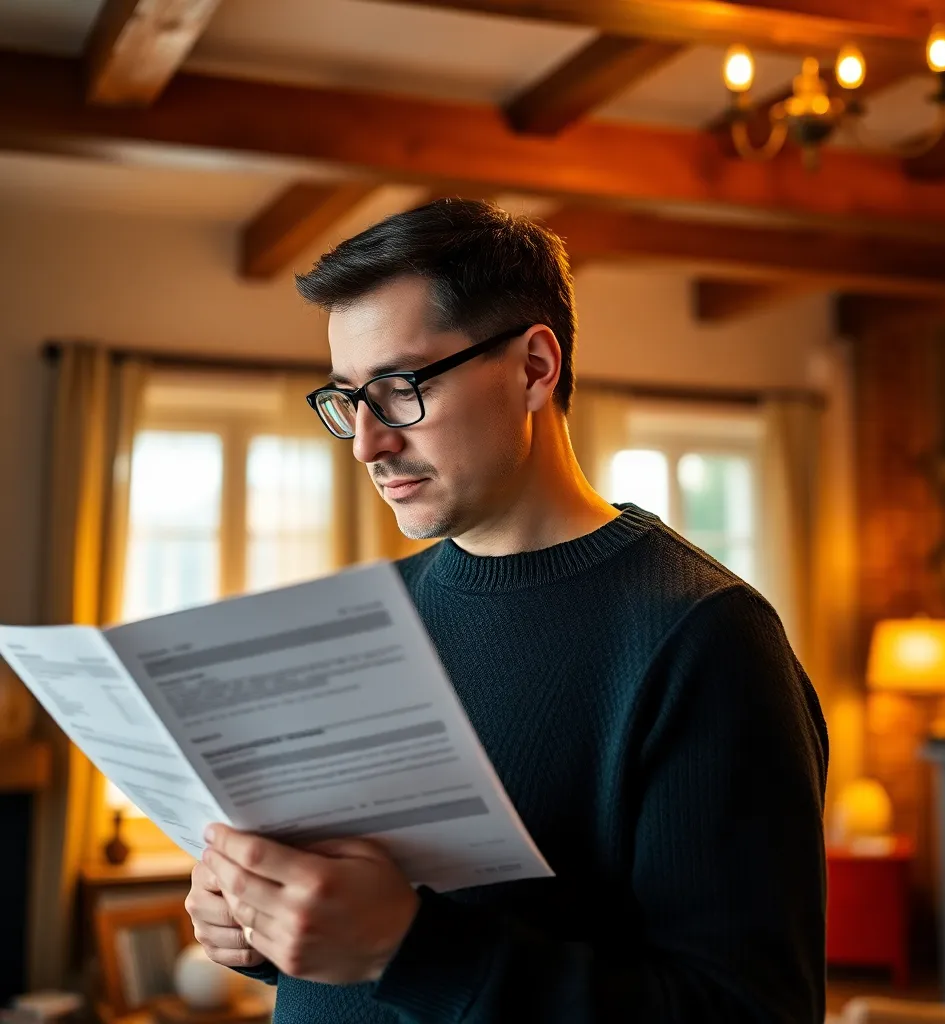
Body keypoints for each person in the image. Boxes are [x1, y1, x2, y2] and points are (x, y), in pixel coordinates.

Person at [185, 199, 829, 1023]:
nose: (368, 444)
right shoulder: (376, 613)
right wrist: (267, 923)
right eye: (350, 398)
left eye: (400, 388)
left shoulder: (704, 638)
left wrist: (407, 949)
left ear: (533, 367)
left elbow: (747, 1014)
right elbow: (367, 943)